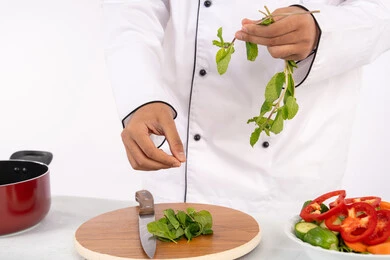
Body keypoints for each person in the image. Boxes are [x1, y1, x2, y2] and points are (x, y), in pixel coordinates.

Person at [102, 1, 390, 213]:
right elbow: (130, 8)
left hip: (289, 162)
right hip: (180, 169)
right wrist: (141, 96)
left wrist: (323, 30)